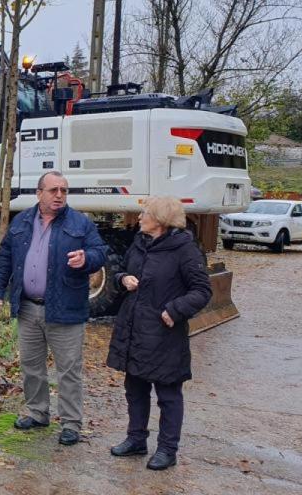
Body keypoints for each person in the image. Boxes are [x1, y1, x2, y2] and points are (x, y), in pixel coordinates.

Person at [0, 171, 108, 446]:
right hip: (28, 308)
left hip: (65, 308)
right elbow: (5, 257)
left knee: (68, 369)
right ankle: (37, 412)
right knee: (31, 365)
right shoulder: (22, 221)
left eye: (64, 191)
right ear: (39, 193)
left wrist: (86, 258)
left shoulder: (80, 223)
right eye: (54, 190)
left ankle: (70, 423)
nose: (59, 195)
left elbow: (100, 252)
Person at [106, 196, 212, 470]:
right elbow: (121, 271)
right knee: (135, 388)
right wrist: (122, 279)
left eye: (145, 213)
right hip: (135, 330)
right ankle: (136, 439)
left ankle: (167, 449)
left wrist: (175, 310)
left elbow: (202, 291)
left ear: (161, 219)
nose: (140, 217)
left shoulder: (184, 249)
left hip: (165, 334)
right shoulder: (139, 243)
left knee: (168, 393)